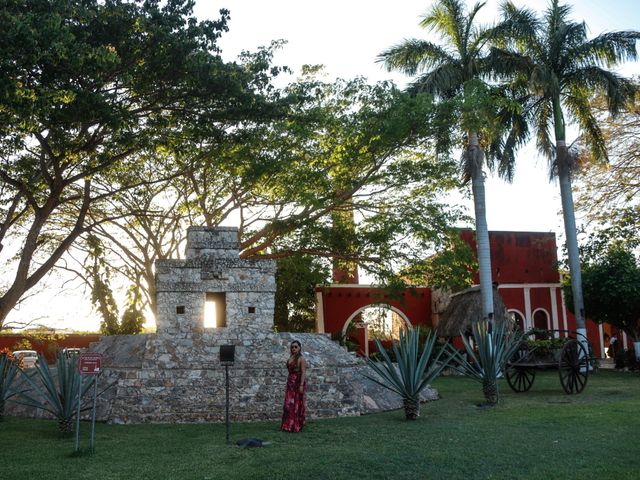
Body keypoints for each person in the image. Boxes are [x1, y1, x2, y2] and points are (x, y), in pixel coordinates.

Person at [281, 340, 307, 432]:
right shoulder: (291, 357)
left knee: (295, 404)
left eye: (296, 347)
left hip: (297, 383)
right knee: (288, 404)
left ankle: (295, 425)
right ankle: (287, 425)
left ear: (299, 348)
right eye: (292, 347)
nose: (294, 348)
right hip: (290, 383)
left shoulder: (301, 359)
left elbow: (303, 372)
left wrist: (301, 385)